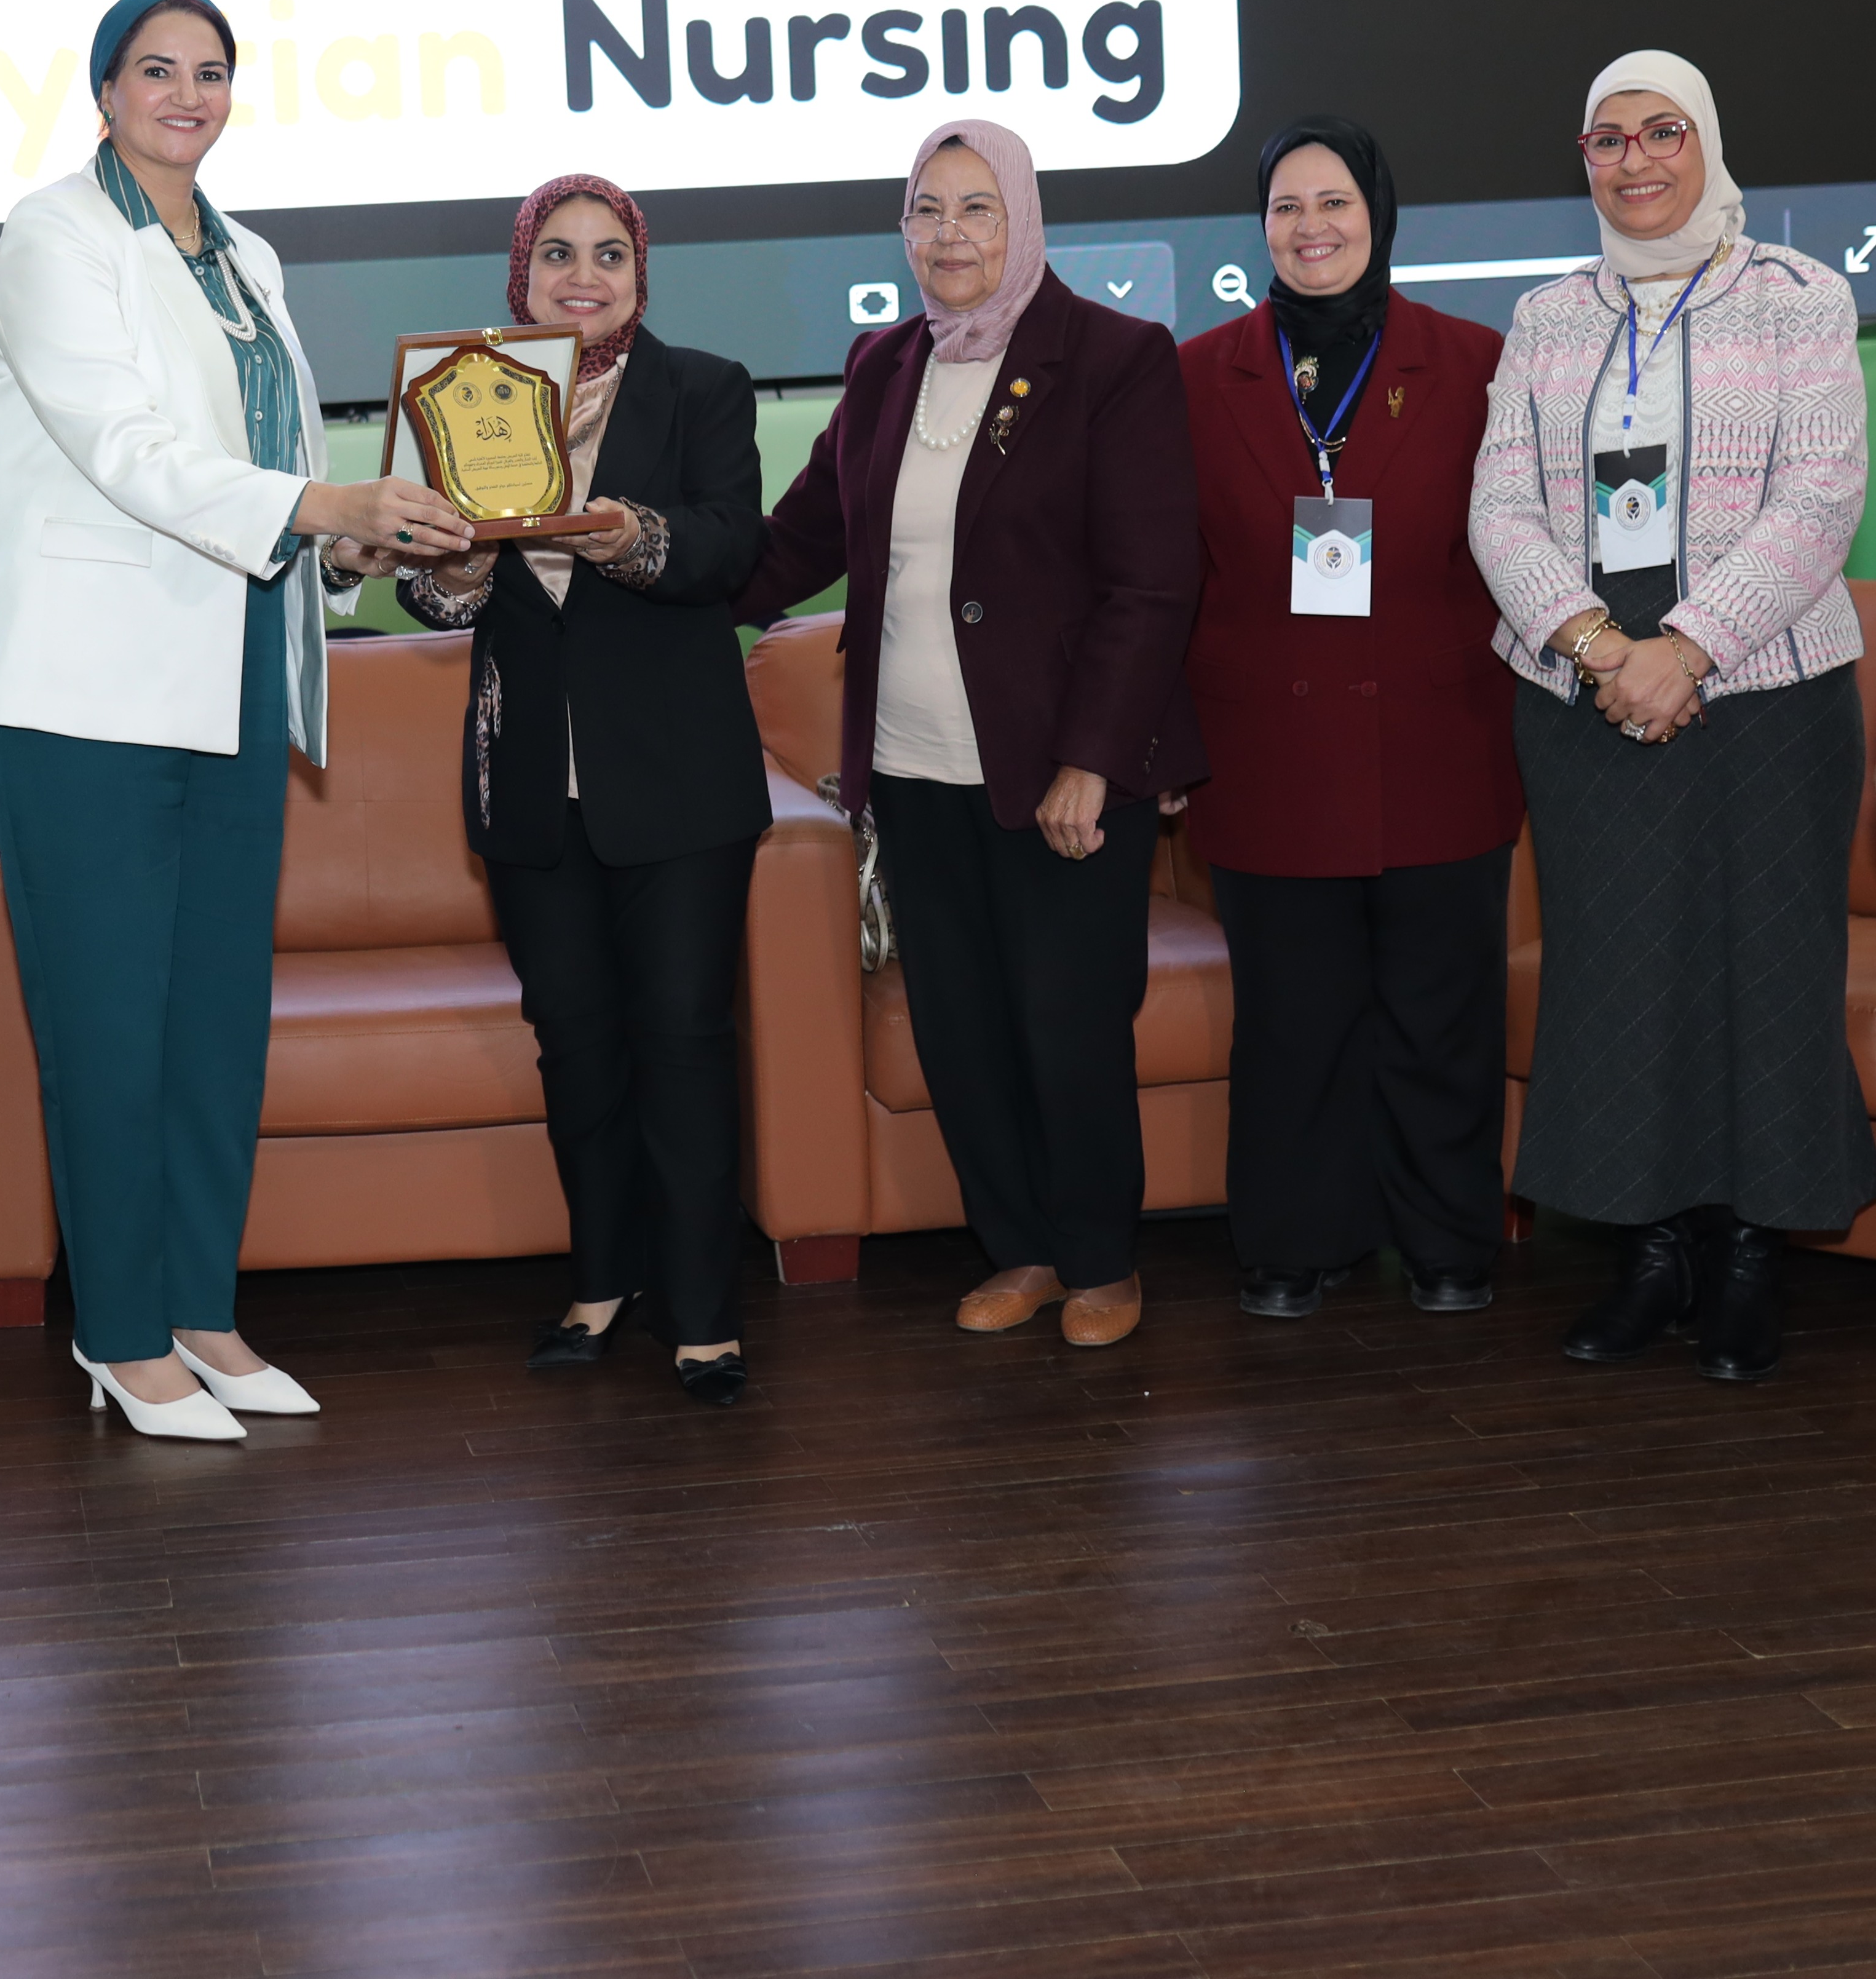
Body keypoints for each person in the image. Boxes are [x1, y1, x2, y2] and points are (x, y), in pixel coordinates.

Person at [0, 0, 470, 1443]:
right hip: (84, 698)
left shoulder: (246, 255)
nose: (188, 92)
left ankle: (199, 1307)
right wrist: (322, 503)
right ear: (105, 90)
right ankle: (120, 1332)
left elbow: (266, 464)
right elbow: (124, 447)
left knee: (213, 1025)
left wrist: (352, 544)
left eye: (212, 71)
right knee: (111, 1032)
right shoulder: (54, 233)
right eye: (157, 69)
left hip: (237, 673)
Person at [737, 119, 1203, 1347]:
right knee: (961, 1028)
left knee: (1070, 1022)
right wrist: (647, 557)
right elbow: (798, 540)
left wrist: (1091, 759)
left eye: (976, 208)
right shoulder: (884, 364)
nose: (949, 235)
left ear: (1024, 220)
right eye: (927, 210)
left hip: (1058, 774)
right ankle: (1023, 1248)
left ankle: (1101, 1261)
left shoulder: (1113, 358)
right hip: (909, 766)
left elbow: (1152, 584)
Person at [1471, 51, 1874, 1381]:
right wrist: (1600, 647)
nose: (1634, 160)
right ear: (1583, 160)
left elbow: (1821, 496)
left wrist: (1688, 647)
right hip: (1583, 693)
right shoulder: (1546, 317)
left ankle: (1750, 1254)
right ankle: (1651, 1254)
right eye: (1607, 139)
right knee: (1619, 977)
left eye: (1661, 133)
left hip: (1769, 694)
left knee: (1770, 974)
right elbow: (1499, 507)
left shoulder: (1800, 297)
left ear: (1704, 141)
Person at [399, 176, 770, 1406]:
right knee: (575, 1046)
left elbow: (730, 547)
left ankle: (703, 1312)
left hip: (679, 784)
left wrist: (628, 535)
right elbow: (424, 593)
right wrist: (455, 562)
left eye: (610, 254)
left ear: (640, 273)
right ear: (522, 274)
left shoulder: (704, 386)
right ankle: (602, 1282)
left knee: (684, 1041)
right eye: (557, 253)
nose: (583, 275)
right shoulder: (461, 393)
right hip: (528, 788)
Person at [1179, 117, 1526, 1322]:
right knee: (1293, 1017)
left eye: (1333, 202)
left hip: (1442, 739)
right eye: (1285, 207)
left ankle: (1447, 1244)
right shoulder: (1197, 373)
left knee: (1442, 1013)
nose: (1310, 226)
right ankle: (1294, 1242)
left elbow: (1520, 545)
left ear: (1378, 214)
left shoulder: (1477, 360)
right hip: (1264, 751)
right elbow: (1170, 572)